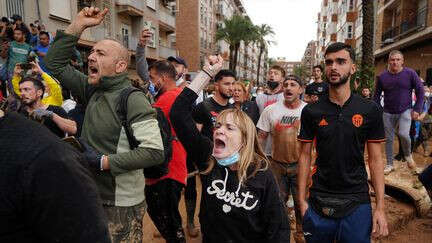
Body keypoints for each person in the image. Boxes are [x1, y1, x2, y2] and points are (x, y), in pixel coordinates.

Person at [45, 7, 165, 242]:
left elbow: (154, 152)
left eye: (100, 53)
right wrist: (78, 25)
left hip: (120, 203)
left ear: (120, 66)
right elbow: (54, 63)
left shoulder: (133, 99)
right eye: (91, 52)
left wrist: (103, 162)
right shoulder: (92, 89)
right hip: (91, 192)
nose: (91, 56)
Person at [170, 55, 290, 243]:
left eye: (229, 128)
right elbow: (177, 113)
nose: (219, 131)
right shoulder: (208, 157)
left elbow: (278, 227)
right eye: (218, 126)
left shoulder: (261, 173)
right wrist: (207, 73)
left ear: (244, 138)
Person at [298, 42, 388, 242]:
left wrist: (380, 207)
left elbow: (375, 160)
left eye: (341, 61)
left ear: (353, 67)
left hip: (357, 199)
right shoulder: (311, 111)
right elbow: (304, 156)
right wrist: (301, 200)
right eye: (329, 62)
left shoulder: (370, 110)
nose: (334, 67)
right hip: (318, 198)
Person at [0, 110, 111, 243]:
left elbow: (73, 128)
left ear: (40, 92)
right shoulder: (22, 112)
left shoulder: (48, 159)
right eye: (21, 89)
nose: (23, 93)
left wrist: (103, 162)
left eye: (27, 89)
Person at [139, 59, 188, 242]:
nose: (150, 82)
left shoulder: (169, 98)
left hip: (167, 169)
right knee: (167, 218)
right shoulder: (175, 95)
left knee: (168, 220)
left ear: (164, 77)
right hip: (171, 167)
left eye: (152, 78)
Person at [257, 75, 307, 243]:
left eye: (293, 84)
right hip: (276, 165)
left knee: (301, 202)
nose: (288, 87)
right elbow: (261, 138)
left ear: (300, 89)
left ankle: (300, 232)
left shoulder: (308, 111)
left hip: (301, 166)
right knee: (277, 204)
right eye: (285, 85)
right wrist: (258, 160)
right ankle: (281, 234)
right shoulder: (270, 110)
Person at [373, 50, 424, 174]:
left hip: (405, 110)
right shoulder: (382, 77)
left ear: (402, 61)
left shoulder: (410, 73)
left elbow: (420, 91)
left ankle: (407, 155)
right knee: (389, 139)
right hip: (388, 112)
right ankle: (390, 164)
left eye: (398, 60)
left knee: (403, 134)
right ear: (389, 62)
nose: (395, 62)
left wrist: (417, 109)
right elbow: (376, 95)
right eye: (392, 60)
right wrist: (378, 110)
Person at [255, 65, 286, 157]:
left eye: (276, 74)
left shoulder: (286, 97)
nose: (272, 75)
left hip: (280, 149)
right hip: (262, 148)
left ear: (282, 79)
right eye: (270, 73)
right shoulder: (259, 98)